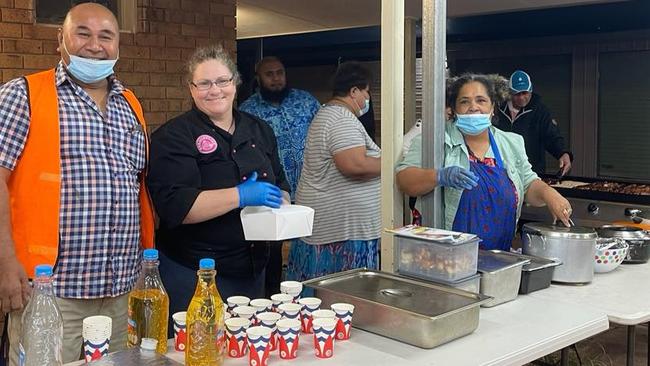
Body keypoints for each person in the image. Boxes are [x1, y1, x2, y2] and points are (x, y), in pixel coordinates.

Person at [0, 3, 155, 364]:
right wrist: (5, 263)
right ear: (61, 40)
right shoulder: (23, 95)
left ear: (118, 44)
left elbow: (136, 189)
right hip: (51, 291)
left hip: (120, 290)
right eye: (82, 33)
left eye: (106, 36)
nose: (95, 45)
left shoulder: (130, 104)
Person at [147, 45, 290, 329]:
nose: (215, 90)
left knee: (245, 346)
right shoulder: (173, 136)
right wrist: (240, 195)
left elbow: (280, 181)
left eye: (222, 81)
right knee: (198, 349)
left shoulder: (260, 129)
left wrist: (282, 204)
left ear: (235, 82)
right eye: (204, 83)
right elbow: (177, 207)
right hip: (194, 273)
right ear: (191, 88)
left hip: (253, 269)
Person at [396, 73, 572, 251]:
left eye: (481, 100)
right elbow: (404, 180)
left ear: (493, 107)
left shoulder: (511, 142)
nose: (473, 107)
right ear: (454, 109)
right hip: (444, 256)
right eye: (464, 101)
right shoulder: (434, 140)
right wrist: (439, 176)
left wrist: (549, 194)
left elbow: (527, 184)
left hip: (499, 256)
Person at [287, 61, 381, 283]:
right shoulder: (340, 119)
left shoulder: (332, 115)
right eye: (367, 92)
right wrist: (392, 163)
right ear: (354, 91)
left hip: (340, 228)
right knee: (340, 295)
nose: (368, 99)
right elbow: (354, 165)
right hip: (341, 235)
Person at [239, 56, 320, 297]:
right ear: (258, 78)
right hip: (270, 189)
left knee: (308, 242)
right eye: (269, 74)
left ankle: (307, 294)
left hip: (309, 186)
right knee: (271, 248)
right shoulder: (248, 110)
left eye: (279, 73)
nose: (276, 78)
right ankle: (272, 295)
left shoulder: (306, 102)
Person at [494, 70, 573, 176]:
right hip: (503, 171)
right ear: (510, 93)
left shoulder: (540, 110)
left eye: (525, 93)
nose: (522, 97)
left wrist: (563, 153)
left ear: (531, 90)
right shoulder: (498, 110)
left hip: (532, 171)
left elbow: (551, 135)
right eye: (517, 94)